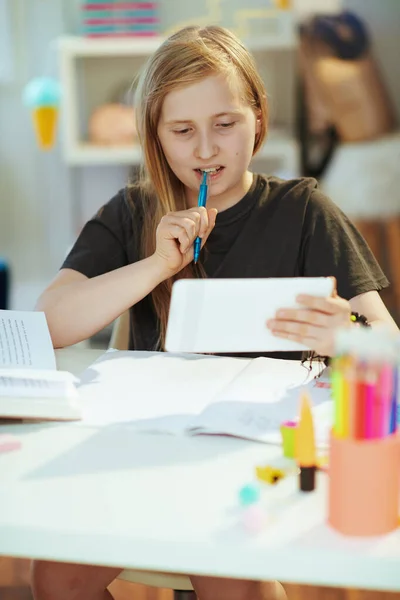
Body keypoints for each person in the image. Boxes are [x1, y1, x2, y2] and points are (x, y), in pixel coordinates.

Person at [32, 24, 397, 600]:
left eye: (225, 125)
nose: (205, 150)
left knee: (227, 575)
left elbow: (387, 343)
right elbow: (49, 323)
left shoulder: (305, 211)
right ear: (156, 137)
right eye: (182, 131)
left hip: (253, 467)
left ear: (257, 116)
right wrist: (155, 266)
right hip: (149, 454)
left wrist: (345, 333)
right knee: (55, 577)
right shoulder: (133, 211)